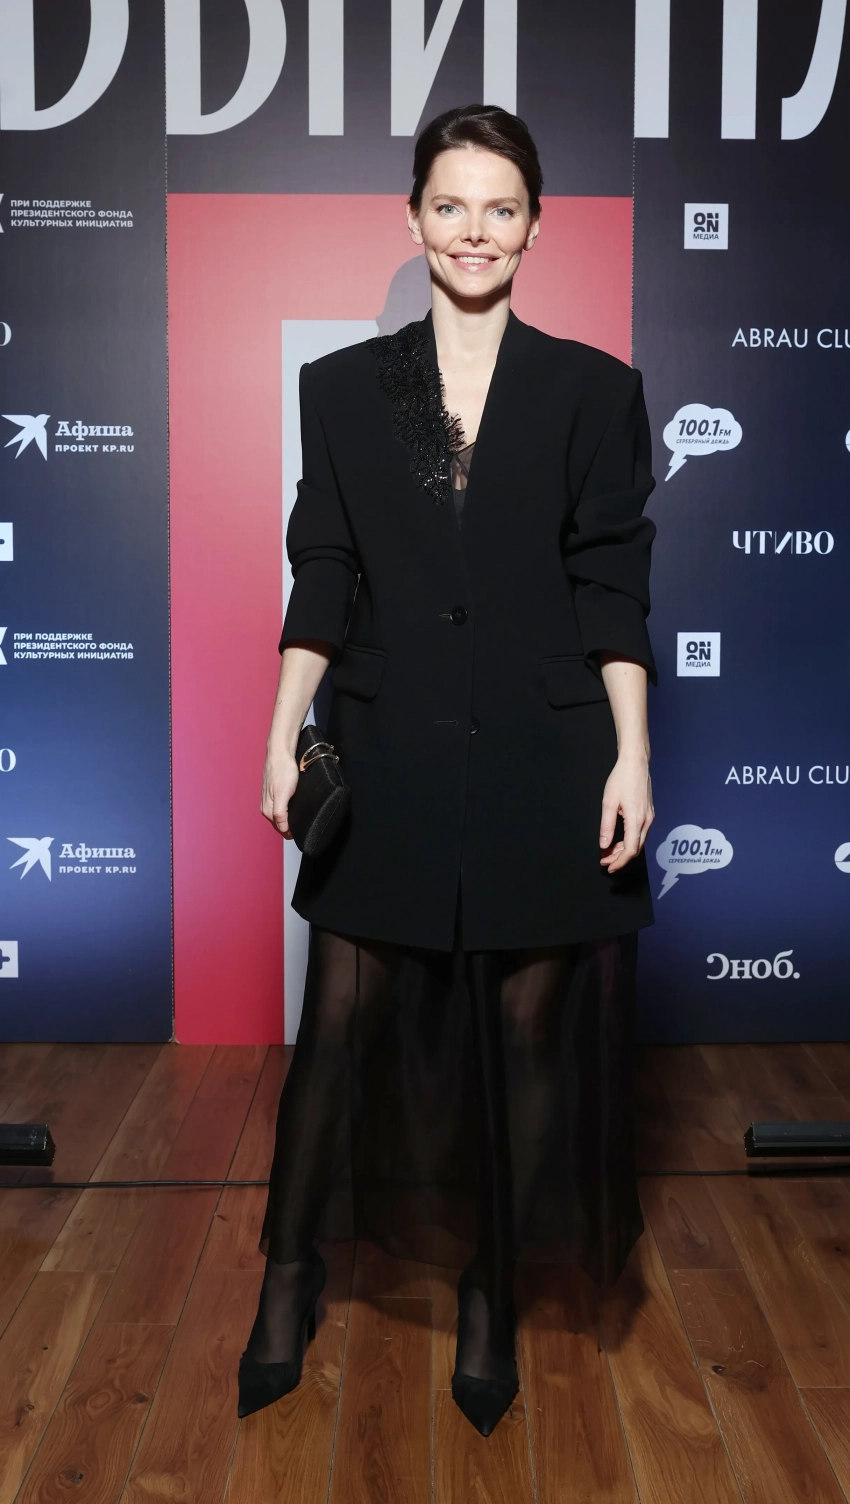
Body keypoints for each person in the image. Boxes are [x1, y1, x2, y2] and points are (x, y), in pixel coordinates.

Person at [238, 103, 657, 1439]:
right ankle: (287, 1276)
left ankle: (491, 1287)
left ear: (534, 228)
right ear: (413, 218)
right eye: (450, 204)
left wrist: (632, 755)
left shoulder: (594, 391)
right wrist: (279, 732)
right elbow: (324, 572)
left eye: (500, 208)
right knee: (337, 1029)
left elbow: (611, 591)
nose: (474, 230)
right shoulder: (343, 389)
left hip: (545, 754)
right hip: (389, 746)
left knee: (526, 1045)